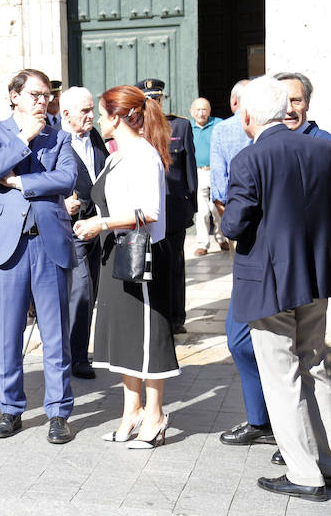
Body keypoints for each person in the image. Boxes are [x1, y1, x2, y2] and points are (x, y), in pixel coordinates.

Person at [221, 75, 331, 502]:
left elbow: (233, 224)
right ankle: (324, 459)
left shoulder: (251, 159)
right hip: (316, 278)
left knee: (282, 376)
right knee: (315, 366)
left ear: (247, 115)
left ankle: (304, 474)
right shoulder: (323, 148)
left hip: (269, 285)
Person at [0, 68, 77, 444]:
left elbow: (66, 179)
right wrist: (25, 137)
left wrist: (20, 182)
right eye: (34, 95)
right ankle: (11, 408)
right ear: (14, 96)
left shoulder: (59, 136)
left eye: (46, 95)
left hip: (48, 243)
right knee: (8, 333)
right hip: (7, 246)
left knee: (55, 332)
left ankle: (59, 411)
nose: (42, 101)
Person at [73, 84, 179, 449]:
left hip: (141, 255)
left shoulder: (143, 155)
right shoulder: (118, 155)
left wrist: (100, 224)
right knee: (124, 337)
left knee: (148, 335)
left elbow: (150, 212)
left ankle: (155, 415)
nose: (99, 120)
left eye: (102, 114)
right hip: (117, 254)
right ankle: (131, 411)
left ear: (117, 117)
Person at [210, 79, 276, 449]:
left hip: (294, 269)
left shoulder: (321, 146)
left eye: (298, 100)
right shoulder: (233, 138)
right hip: (249, 258)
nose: (293, 108)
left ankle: (296, 438)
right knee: (239, 338)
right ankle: (260, 420)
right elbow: (223, 192)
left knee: (293, 355)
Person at [134, 78, 195, 335]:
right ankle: (152, 315)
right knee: (147, 264)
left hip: (174, 208)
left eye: (157, 99)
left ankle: (175, 317)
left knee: (175, 265)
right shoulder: (133, 127)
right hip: (145, 209)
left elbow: (190, 170)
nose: (154, 104)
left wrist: (190, 205)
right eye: (149, 100)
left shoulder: (180, 125)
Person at [59, 86, 108, 379]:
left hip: (98, 227)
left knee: (93, 291)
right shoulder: (54, 143)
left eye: (92, 109)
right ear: (66, 114)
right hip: (71, 230)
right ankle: (76, 357)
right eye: (85, 111)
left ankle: (78, 348)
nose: (92, 116)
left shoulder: (96, 139)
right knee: (80, 290)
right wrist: (61, 204)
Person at [189, 97, 228, 256]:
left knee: (217, 208)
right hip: (198, 172)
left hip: (216, 171)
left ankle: (222, 238)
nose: (201, 113)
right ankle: (202, 244)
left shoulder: (218, 123)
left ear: (209, 111)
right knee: (202, 211)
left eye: (204, 109)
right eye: (198, 109)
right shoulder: (188, 126)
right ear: (192, 112)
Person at [273, 72, 331, 140]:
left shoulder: (325, 144)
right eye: (282, 101)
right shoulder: (263, 143)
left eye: (296, 101)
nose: (289, 110)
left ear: (307, 104)